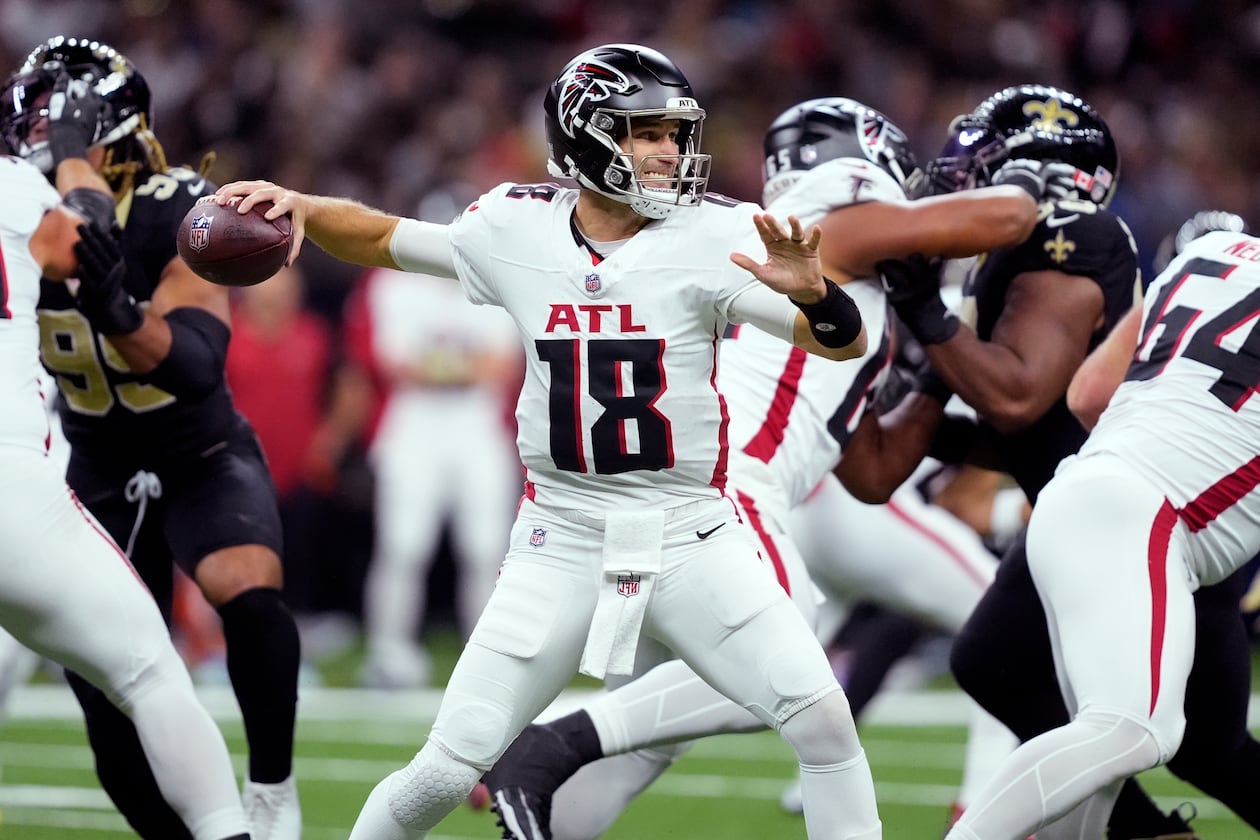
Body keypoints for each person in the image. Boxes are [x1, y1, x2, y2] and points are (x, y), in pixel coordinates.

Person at [218, 44, 881, 840]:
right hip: (559, 536)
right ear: (587, 137)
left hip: (690, 531)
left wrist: (817, 292)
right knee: (445, 766)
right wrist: (303, 206)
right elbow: (392, 239)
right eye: (648, 133)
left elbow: (840, 342)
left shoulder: (720, 233)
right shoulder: (514, 224)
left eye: (676, 132)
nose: (671, 150)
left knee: (823, 722)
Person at [473, 96, 1060, 840]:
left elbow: (871, 472)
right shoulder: (836, 225)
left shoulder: (830, 276)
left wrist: (947, 355)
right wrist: (1034, 180)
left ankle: (551, 786)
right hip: (726, 488)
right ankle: (552, 739)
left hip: (685, 491)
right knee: (783, 678)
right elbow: (1000, 220)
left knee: (659, 731)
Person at [837, 85, 1219, 839]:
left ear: (1048, 177)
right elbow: (992, 436)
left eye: (985, 161)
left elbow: (1015, 396)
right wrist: (886, 399)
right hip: (1086, 512)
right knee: (994, 663)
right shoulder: (1004, 261)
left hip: (1144, 521)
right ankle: (1152, 834)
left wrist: (925, 314)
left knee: (1194, 743)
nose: (958, 176)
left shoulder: (1077, 239)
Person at [0, 37, 302, 839]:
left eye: (57, 130)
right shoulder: (27, 206)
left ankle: (273, 791)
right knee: (109, 696)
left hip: (194, 448)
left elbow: (199, 366)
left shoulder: (179, 205)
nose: (41, 146)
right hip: (90, 458)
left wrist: (119, 310)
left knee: (247, 586)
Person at [942, 217, 1260, 838]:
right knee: (1135, 730)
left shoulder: (1211, 249)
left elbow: (1089, 396)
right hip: (1150, 518)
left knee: (1094, 758)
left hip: (1080, 491)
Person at [348, 263, 521, 689]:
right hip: (413, 432)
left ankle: (488, 661)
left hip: (478, 433)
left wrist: (436, 365)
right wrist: (462, 366)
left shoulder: (499, 275)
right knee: (403, 547)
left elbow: (500, 365)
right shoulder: (394, 283)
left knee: (487, 553)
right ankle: (388, 653)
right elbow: (394, 364)